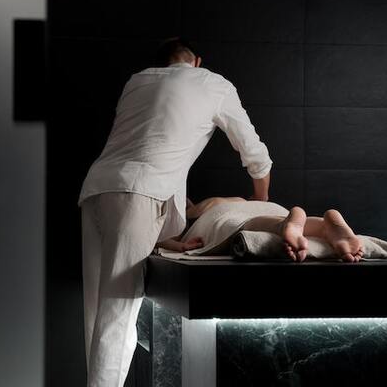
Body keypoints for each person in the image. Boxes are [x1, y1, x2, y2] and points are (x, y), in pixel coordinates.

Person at [77, 37, 273, 386]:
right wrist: (262, 201)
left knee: (98, 313)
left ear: (162, 63)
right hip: (136, 196)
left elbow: (152, 146)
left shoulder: (136, 82)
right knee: (118, 317)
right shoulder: (213, 83)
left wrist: (163, 235)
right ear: (197, 61)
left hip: (95, 190)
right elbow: (254, 154)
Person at [156, 196, 365, 263]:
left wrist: (180, 246)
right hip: (269, 206)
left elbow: (161, 238)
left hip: (221, 215)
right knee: (275, 217)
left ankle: (283, 225)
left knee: (246, 223)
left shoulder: (197, 211)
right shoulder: (238, 199)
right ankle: (323, 226)